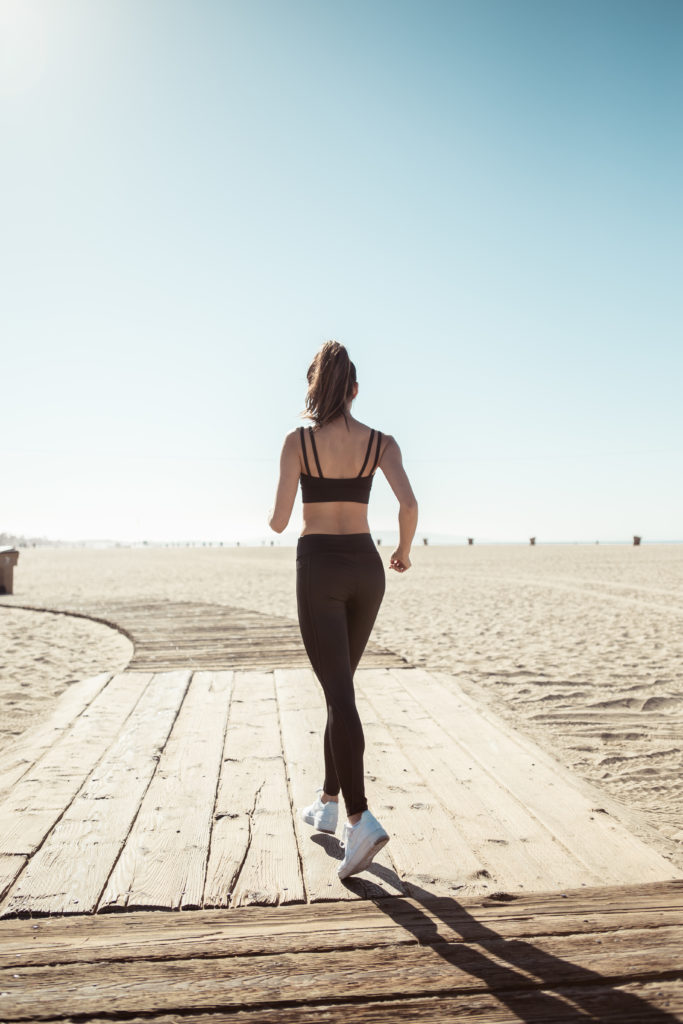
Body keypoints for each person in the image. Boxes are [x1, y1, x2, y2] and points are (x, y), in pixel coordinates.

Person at [268, 340, 418, 879]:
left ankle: (359, 818)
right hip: (367, 568)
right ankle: (328, 802)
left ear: (315, 388)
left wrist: (273, 508)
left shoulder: (298, 443)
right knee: (342, 692)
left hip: (320, 571)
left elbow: (281, 521)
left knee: (339, 695)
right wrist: (401, 551)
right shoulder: (382, 443)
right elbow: (409, 504)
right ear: (354, 390)